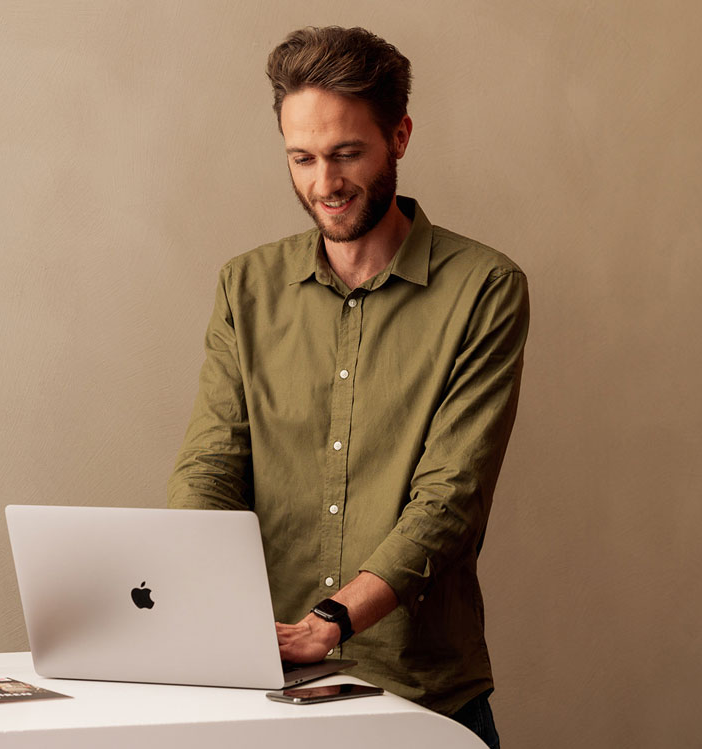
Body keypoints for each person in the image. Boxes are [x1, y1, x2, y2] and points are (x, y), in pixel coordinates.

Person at [168, 25, 528, 748]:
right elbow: (211, 464)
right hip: (263, 687)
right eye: (301, 158)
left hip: (421, 698)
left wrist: (331, 620)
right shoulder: (246, 286)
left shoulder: (485, 287)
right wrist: (184, 598)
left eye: (346, 154)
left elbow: (450, 498)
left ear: (400, 136)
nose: (324, 184)